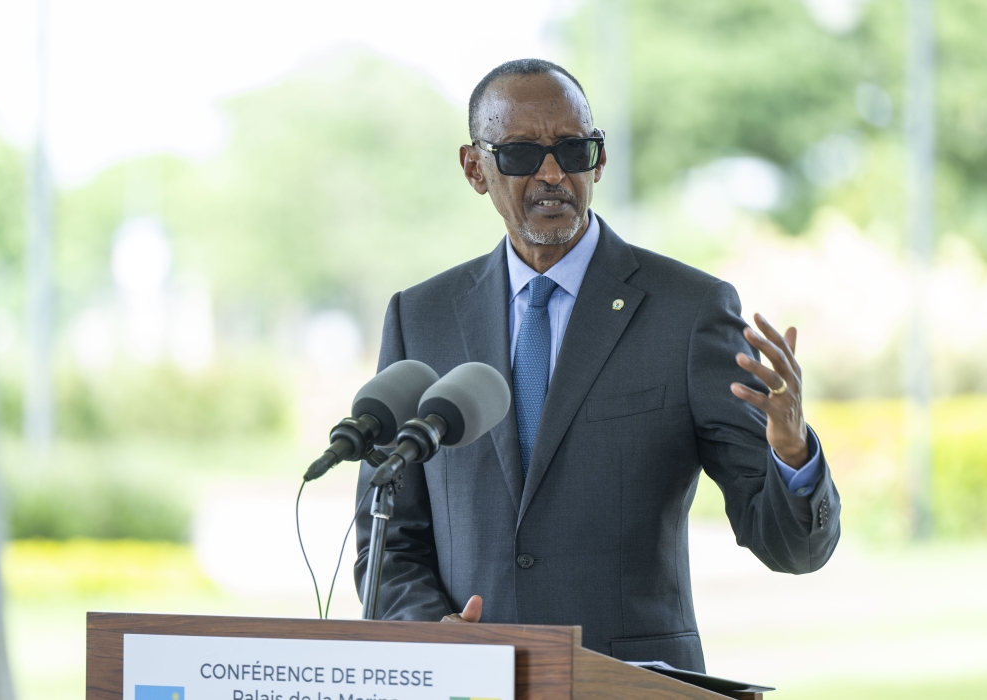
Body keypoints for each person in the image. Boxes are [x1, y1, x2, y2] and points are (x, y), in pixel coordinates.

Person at [354, 58, 840, 672]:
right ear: (475, 168)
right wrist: (436, 637)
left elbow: (793, 548)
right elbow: (388, 544)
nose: (553, 173)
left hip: (628, 682)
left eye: (573, 150)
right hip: (469, 683)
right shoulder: (419, 318)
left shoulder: (688, 312)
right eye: (521, 154)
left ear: (600, 159)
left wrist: (793, 456)